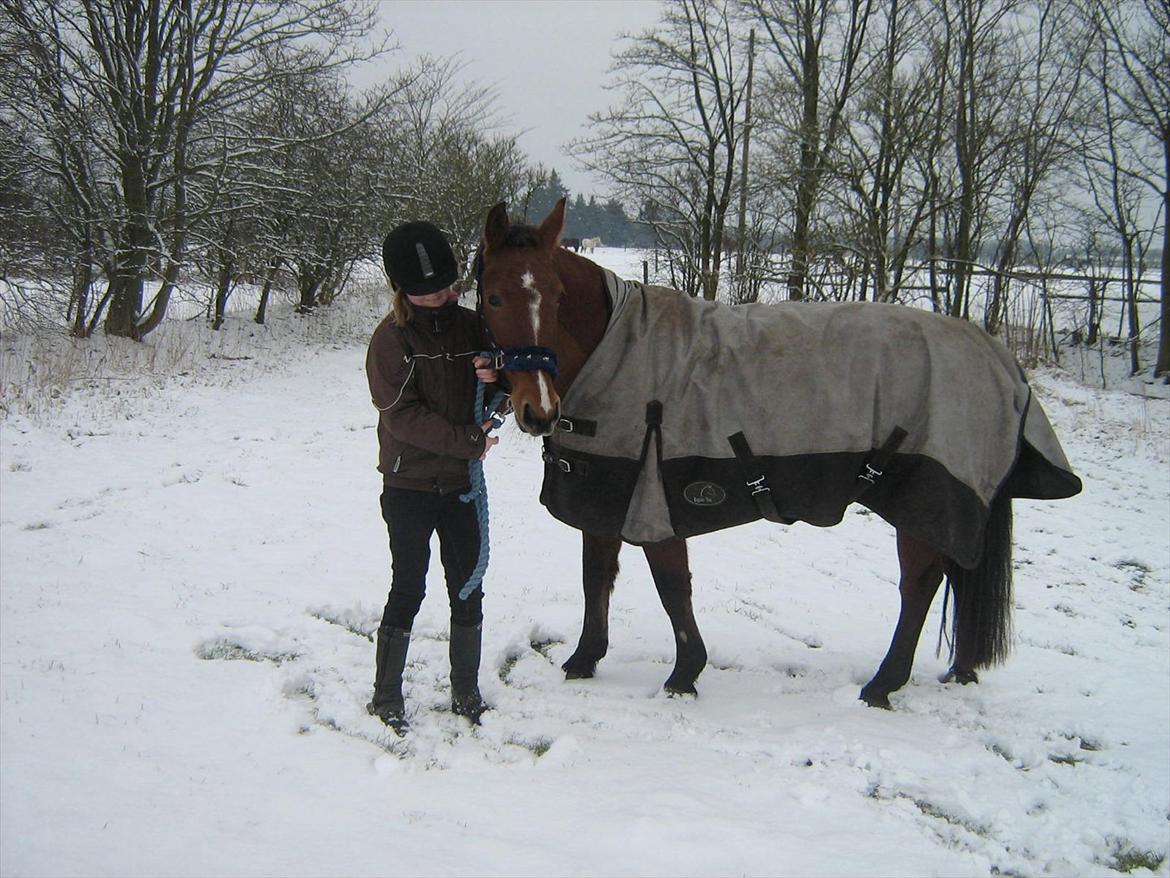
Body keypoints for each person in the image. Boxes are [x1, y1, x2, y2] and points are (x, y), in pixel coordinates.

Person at [365, 220, 506, 734]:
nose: (445, 295)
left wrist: (497, 378)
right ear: (404, 291)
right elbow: (400, 414)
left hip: (461, 486)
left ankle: (465, 690)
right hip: (409, 486)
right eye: (429, 292)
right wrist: (469, 440)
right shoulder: (390, 340)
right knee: (409, 586)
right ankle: (385, 695)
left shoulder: (471, 325)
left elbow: (504, 378)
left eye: (448, 284)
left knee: (468, 587)